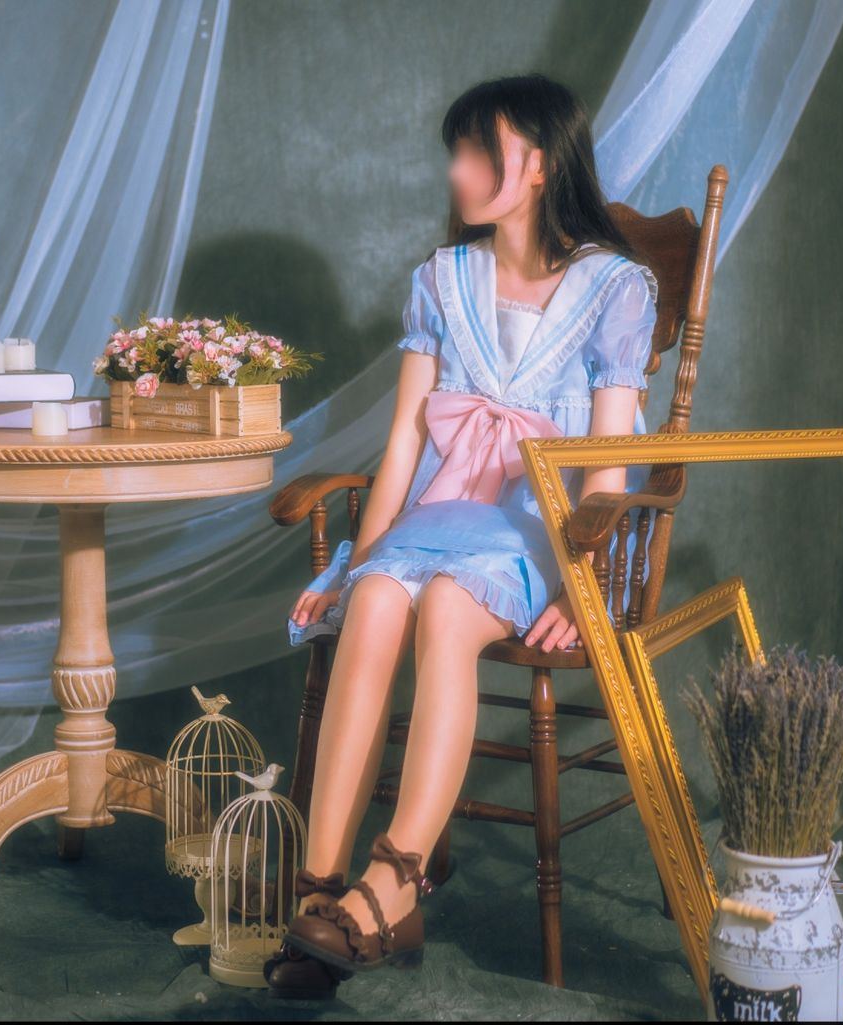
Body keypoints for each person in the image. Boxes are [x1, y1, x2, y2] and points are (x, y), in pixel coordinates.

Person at [267, 74, 659, 996]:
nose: (457, 168)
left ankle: (395, 878)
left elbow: (608, 463)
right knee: (375, 600)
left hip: (542, 524)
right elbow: (406, 441)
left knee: (447, 609)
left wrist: (584, 582)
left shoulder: (615, 287)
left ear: (538, 165)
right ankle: (320, 891)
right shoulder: (443, 278)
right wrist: (358, 561)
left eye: (479, 150)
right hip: (445, 509)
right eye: (458, 149)